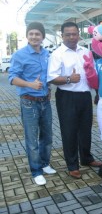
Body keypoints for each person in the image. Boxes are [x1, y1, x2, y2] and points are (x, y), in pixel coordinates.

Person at [47, 22, 102, 179]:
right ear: (62, 36)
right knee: (69, 131)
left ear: (79, 34)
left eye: (74, 34)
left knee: (86, 129)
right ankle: (72, 165)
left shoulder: (86, 51)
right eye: (68, 34)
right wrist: (69, 78)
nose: (72, 37)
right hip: (67, 97)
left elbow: (93, 73)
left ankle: (86, 158)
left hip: (85, 96)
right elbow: (51, 78)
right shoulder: (57, 54)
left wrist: (97, 92)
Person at [8, 22, 56, 186]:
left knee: (47, 136)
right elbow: (12, 78)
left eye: (38, 34)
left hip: (45, 101)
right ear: (27, 36)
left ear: (42, 36)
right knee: (32, 139)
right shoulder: (20, 55)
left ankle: (45, 163)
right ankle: (36, 171)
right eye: (31, 34)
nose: (34, 36)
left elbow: (50, 75)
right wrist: (30, 84)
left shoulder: (47, 54)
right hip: (29, 102)